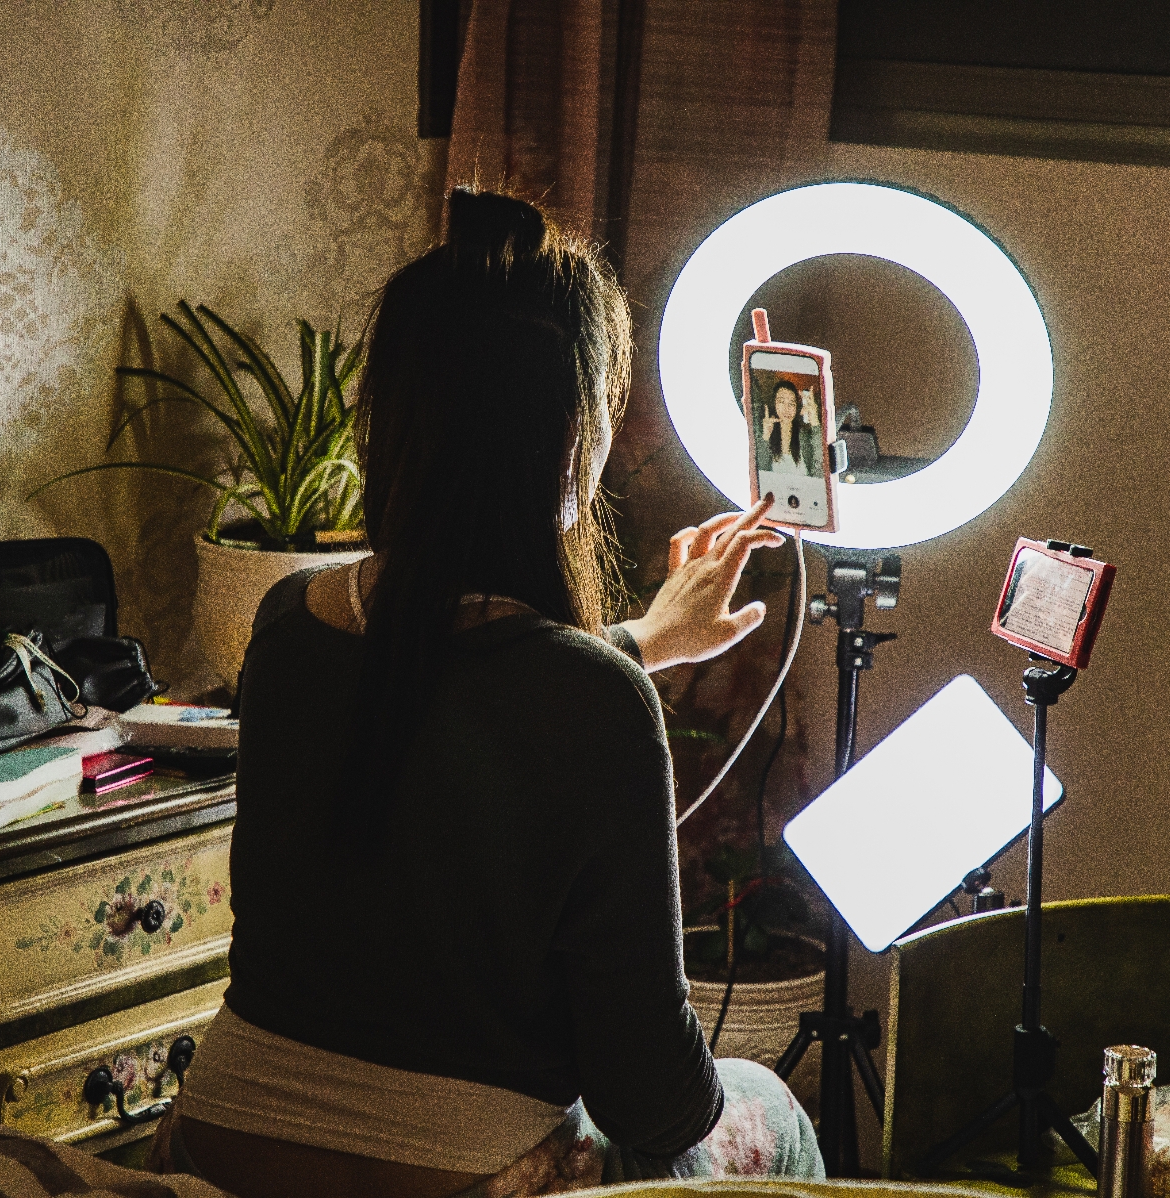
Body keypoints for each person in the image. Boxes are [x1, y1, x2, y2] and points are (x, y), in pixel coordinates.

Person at [155, 189, 822, 1197]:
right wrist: (617, 667)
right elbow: (660, 1103)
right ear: (572, 438)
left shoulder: (288, 629)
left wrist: (641, 639)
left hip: (219, 1143)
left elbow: (447, 701)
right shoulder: (593, 705)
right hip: (454, 1175)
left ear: (390, 421)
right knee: (768, 1109)